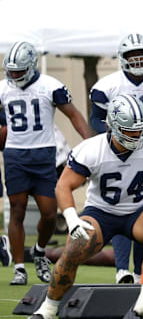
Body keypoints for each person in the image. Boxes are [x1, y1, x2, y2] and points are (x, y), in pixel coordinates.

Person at [29, 94, 143, 319]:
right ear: (112, 127)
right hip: (101, 212)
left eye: (141, 130)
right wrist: (72, 219)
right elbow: (63, 186)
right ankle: (48, 308)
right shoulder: (91, 149)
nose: (138, 136)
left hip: (140, 211)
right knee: (74, 248)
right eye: (131, 131)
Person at [0, 41, 91, 285]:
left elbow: (73, 114)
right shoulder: (3, 89)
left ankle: (40, 251)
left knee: (50, 214)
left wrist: (92, 142)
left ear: (31, 66)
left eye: (19, 70)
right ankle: (19, 267)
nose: (14, 75)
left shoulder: (50, 86)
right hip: (15, 155)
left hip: (43, 155)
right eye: (11, 70)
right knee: (17, 209)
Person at [89, 33, 143, 283]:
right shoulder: (107, 85)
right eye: (131, 55)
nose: (137, 60)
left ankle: (139, 272)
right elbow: (96, 117)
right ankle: (122, 270)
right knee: (121, 206)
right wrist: (110, 134)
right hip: (119, 151)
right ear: (122, 58)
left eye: (142, 55)